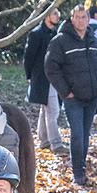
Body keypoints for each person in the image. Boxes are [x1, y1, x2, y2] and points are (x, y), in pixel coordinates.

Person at [44, 5, 97, 186]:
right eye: (77, 17)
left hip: (92, 96)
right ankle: (78, 173)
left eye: (84, 17)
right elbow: (50, 68)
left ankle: (82, 168)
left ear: (88, 19)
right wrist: (66, 92)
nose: (81, 21)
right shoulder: (60, 41)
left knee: (85, 134)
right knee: (77, 135)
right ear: (72, 19)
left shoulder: (93, 40)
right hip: (73, 99)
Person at [23, 9, 65, 153]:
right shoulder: (36, 34)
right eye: (54, 13)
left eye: (58, 13)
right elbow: (28, 57)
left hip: (53, 77)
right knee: (53, 110)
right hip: (42, 78)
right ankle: (56, 144)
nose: (58, 16)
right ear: (46, 16)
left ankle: (45, 140)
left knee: (45, 109)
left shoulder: (55, 33)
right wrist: (30, 76)